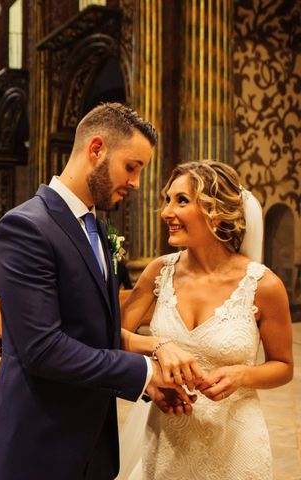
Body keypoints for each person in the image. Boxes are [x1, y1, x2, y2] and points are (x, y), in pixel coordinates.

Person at [0, 103, 190, 479]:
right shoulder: (25, 227)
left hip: (93, 443)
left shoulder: (97, 228)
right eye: (132, 167)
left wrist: (153, 361)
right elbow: (43, 349)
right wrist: (146, 372)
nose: (136, 183)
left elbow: (96, 332)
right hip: (41, 441)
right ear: (96, 149)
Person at [120, 160, 293, 479]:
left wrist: (242, 375)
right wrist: (154, 355)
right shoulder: (159, 272)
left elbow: (283, 366)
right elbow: (110, 336)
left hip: (235, 441)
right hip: (169, 437)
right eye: (167, 200)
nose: (166, 212)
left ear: (217, 211)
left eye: (181, 200)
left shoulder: (263, 285)